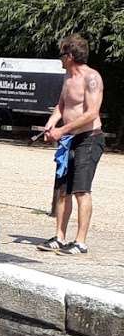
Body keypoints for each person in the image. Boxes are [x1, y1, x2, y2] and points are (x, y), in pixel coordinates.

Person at [38, 34, 105, 256]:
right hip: (69, 139)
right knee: (63, 190)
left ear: (69, 55)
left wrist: (62, 131)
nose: (60, 59)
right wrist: (50, 125)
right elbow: (61, 106)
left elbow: (91, 113)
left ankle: (80, 241)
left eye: (61, 54)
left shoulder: (91, 77)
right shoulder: (68, 78)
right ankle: (59, 236)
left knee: (81, 190)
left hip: (89, 138)